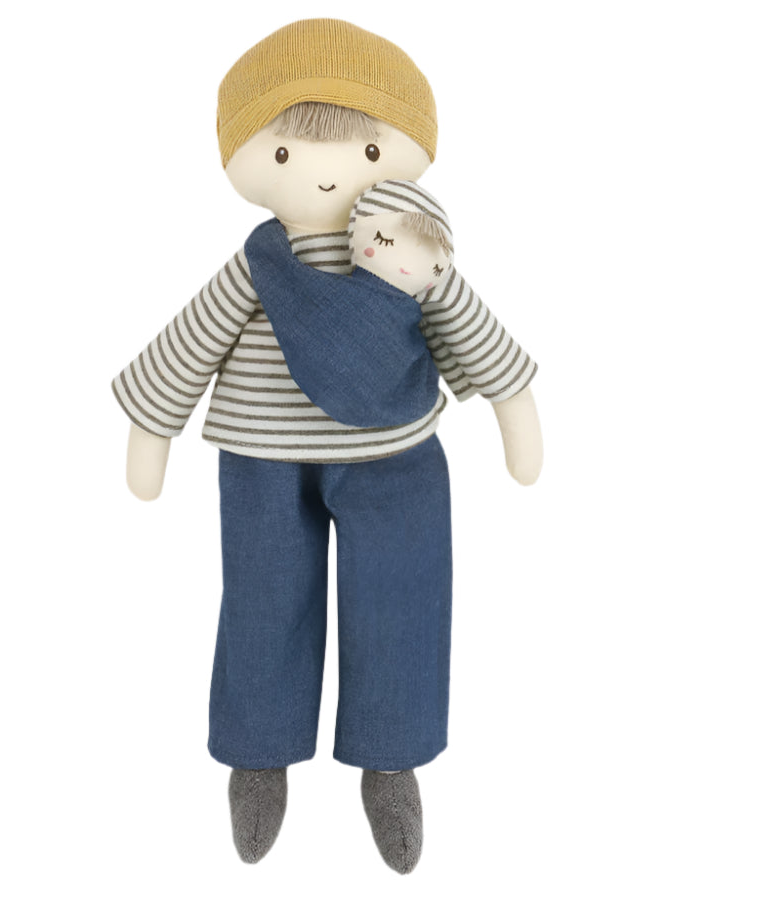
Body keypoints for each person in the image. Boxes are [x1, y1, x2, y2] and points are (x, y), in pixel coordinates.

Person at [112, 19, 543, 874]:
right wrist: (153, 425)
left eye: (366, 149)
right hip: (263, 456)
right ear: (244, 158)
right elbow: (190, 341)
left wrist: (513, 404)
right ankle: (258, 756)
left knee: (403, 598)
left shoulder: (409, 255)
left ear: (407, 151)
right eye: (284, 152)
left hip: (396, 454)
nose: (322, 171)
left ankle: (391, 760)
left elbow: (469, 326)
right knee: (264, 596)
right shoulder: (258, 265)